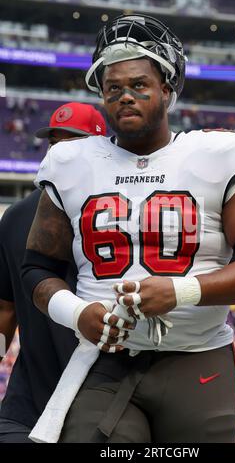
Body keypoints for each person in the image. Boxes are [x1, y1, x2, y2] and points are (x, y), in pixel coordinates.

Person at [22, 15, 235, 443]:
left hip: (197, 359)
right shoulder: (70, 162)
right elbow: (35, 270)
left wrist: (181, 291)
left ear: (167, 89)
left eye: (139, 85)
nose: (125, 96)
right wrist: (77, 312)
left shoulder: (218, 152)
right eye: (114, 88)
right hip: (105, 360)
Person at [0, 101, 106, 443]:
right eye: (54, 143)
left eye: (72, 143)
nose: (59, 152)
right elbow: (4, 311)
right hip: (31, 402)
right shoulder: (15, 217)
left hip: (101, 400)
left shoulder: (119, 213)